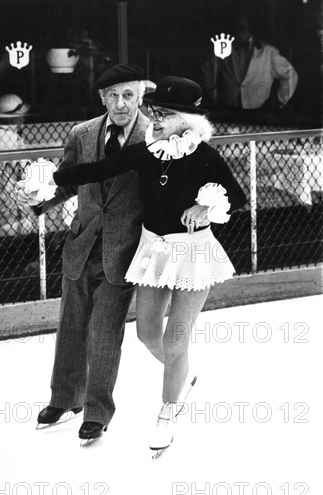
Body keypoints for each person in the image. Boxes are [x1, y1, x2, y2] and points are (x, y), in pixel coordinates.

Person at [47, 75, 247, 453]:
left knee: (176, 340)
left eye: (164, 114)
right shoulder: (147, 151)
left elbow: (235, 195)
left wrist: (206, 207)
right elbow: (98, 171)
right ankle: (181, 373)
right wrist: (50, 179)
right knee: (147, 334)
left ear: (186, 119)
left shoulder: (206, 156)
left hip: (193, 254)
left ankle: (167, 413)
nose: (153, 119)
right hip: (154, 252)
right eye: (154, 111)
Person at [16, 63, 150, 442]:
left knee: (105, 333)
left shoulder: (154, 137)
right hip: (81, 244)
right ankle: (64, 399)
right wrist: (37, 202)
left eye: (128, 95)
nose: (121, 103)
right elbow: (67, 181)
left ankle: (96, 411)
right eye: (113, 96)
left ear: (139, 96)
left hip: (123, 251)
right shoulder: (82, 133)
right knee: (71, 327)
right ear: (102, 98)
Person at [201, 14, 298, 118]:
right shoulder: (222, 48)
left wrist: (281, 100)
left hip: (259, 109)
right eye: (235, 29)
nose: (238, 33)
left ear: (250, 29)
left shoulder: (269, 52)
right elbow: (208, 70)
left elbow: (290, 75)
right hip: (227, 107)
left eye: (242, 29)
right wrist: (212, 94)